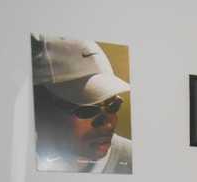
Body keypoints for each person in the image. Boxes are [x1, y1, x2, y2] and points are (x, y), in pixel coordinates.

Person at [31, 35, 132, 174]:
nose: (108, 124)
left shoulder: (134, 159)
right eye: (86, 110)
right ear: (38, 106)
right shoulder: (15, 159)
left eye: (113, 105)